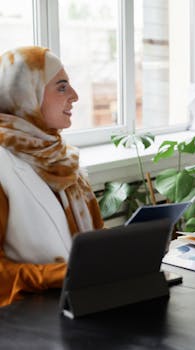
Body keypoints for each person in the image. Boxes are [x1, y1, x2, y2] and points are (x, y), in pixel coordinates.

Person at [0, 46, 104, 306]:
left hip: (81, 305)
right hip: (26, 322)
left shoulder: (63, 159)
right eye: (61, 87)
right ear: (26, 95)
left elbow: (96, 240)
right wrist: (60, 275)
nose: (75, 96)